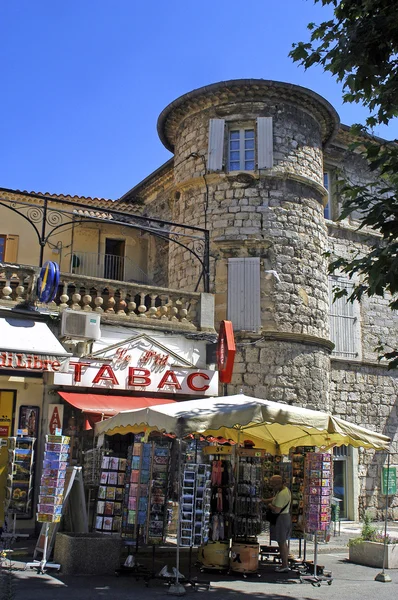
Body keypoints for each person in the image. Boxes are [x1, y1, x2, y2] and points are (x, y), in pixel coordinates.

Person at [265, 474, 292, 572]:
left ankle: (284, 565)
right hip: (284, 517)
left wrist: (269, 506)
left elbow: (276, 510)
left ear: (278, 483)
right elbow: (274, 499)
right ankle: (285, 563)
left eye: (273, 484)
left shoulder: (282, 494)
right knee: (283, 541)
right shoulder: (284, 491)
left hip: (281, 518)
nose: (272, 486)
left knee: (282, 542)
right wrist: (265, 500)